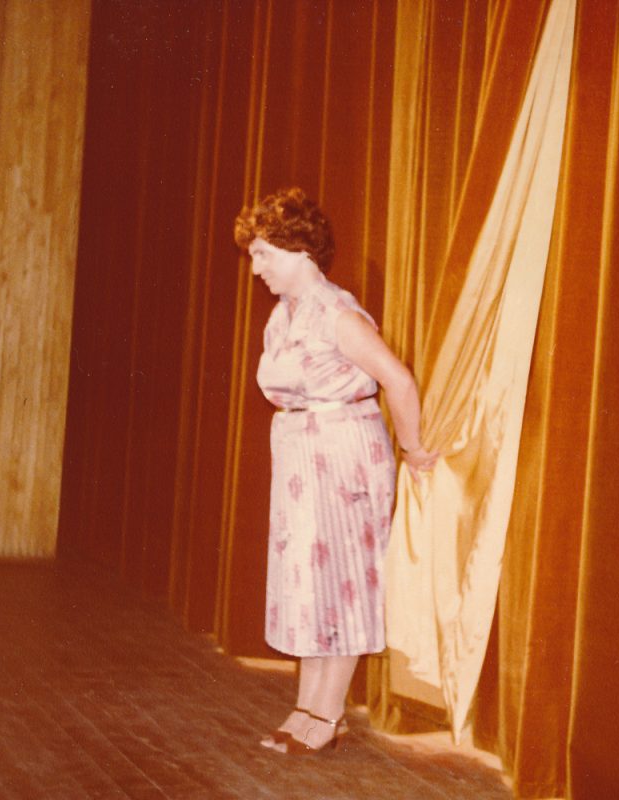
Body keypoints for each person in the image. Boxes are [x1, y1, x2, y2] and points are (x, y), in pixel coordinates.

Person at [233, 187, 437, 755]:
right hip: (302, 459)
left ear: (299, 251)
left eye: (263, 254)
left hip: (344, 457)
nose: (256, 268)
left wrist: (413, 450)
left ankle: (327, 712)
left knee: (343, 581)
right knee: (309, 583)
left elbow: (398, 380)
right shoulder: (283, 315)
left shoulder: (337, 314)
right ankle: (307, 706)